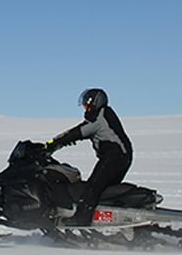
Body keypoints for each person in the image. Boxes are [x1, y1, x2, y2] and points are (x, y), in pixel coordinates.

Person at [45, 88, 133, 225]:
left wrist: (52, 144)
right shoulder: (104, 115)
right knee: (105, 193)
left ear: (94, 103)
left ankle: (81, 220)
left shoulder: (99, 118)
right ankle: (104, 221)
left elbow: (77, 132)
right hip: (121, 157)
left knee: (92, 187)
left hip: (114, 158)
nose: (85, 108)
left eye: (86, 105)